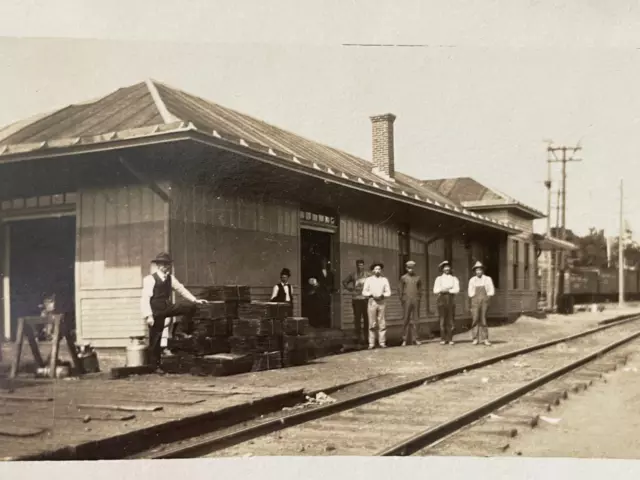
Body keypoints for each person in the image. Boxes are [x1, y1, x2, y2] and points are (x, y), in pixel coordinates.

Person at [141, 252, 207, 371]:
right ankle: (154, 366)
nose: (165, 267)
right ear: (158, 266)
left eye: (167, 264)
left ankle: (181, 331)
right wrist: (148, 316)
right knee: (155, 338)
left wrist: (195, 300)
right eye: (162, 264)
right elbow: (145, 298)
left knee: (189, 307)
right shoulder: (150, 279)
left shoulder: (171, 278)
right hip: (156, 311)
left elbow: (181, 289)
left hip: (167, 307)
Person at [362, 262, 392, 349]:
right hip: (372, 302)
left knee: (382, 322)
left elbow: (388, 292)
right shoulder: (369, 280)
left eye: (379, 269)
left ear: (381, 270)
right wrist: (371, 294)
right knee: (372, 323)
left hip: (381, 302)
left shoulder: (384, 280)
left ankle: (382, 342)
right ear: (372, 270)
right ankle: (371, 344)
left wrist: (383, 295)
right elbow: (364, 292)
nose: (377, 271)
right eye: (375, 269)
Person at [342, 259, 371, 345]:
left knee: (367, 319)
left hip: (366, 299)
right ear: (356, 266)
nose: (360, 267)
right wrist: (349, 288)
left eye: (361, 265)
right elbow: (344, 282)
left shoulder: (368, 275)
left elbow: (373, 283)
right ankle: (358, 338)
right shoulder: (353, 275)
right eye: (358, 265)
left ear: (363, 265)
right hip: (356, 299)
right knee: (357, 319)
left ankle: (367, 338)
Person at [433, 260, 461, 345]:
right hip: (441, 299)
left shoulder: (454, 278)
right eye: (445, 267)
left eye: (448, 267)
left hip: (450, 299)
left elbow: (457, 290)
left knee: (450, 319)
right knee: (442, 319)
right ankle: (443, 338)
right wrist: (442, 289)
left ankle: (450, 338)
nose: (447, 269)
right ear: (442, 269)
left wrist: (448, 290)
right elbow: (435, 290)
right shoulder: (439, 279)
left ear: (450, 268)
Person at [468, 261, 495, 346]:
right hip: (475, 301)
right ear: (475, 271)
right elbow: (470, 292)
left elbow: (491, 290)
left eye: (480, 270)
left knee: (483, 319)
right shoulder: (472, 280)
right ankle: (475, 338)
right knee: (475, 319)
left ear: (482, 270)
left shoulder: (487, 279)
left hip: (484, 301)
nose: (478, 271)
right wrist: (474, 297)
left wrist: (487, 297)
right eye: (477, 270)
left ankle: (485, 339)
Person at [399, 260, 423, 347]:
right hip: (407, 300)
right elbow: (400, 290)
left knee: (416, 319)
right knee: (406, 319)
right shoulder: (403, 278)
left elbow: (420, 290)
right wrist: (403, 300)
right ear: (406, 268)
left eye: (412, 268)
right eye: (409, 268)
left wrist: (418, 298)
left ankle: (416, 338)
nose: (410, 269)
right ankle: (404, 339)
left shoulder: (418, 278)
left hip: (415, 300)